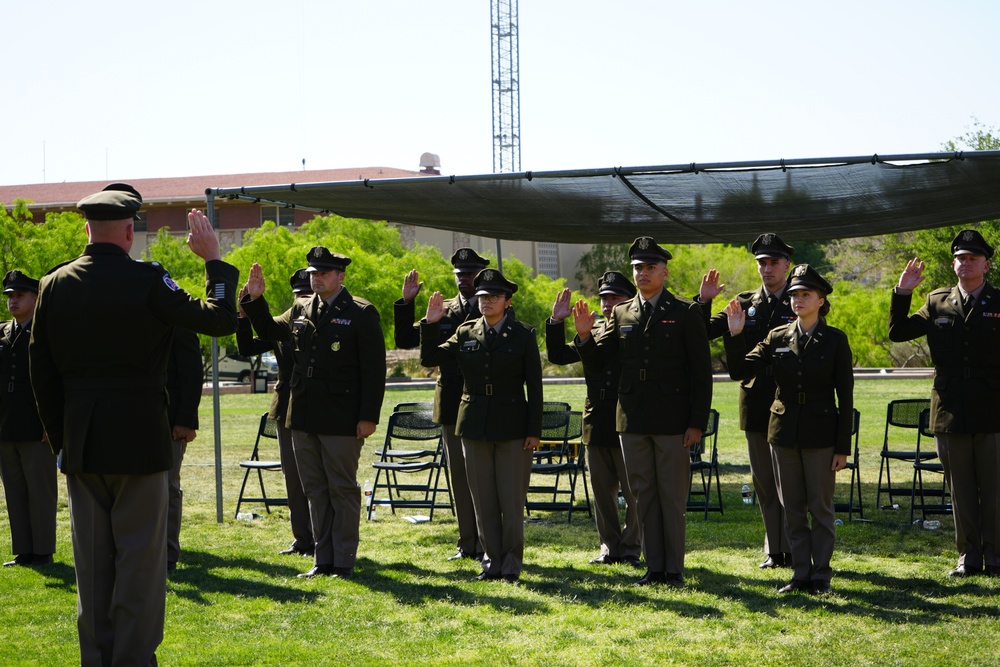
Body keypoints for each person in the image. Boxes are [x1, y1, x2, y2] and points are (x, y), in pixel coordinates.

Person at [28, 183, 239, 666]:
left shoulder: (54, 284)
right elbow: (219, 319)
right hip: (142, 442)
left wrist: (64, 440)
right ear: (128, 230)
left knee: (93, 568)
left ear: (87, 228)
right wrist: (213, 261)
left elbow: (42, 373)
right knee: (140, 565)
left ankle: (97, 659)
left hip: (82, 444)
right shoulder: (147, 279)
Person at [574, 237, 712, 587]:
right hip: (632, 421)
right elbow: (598, 361)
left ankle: (674, 569)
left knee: (671, 496)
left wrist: (696, 423)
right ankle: (655, 568)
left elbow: (701, 373)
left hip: (672, 421)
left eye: (650, 267)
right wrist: (584, 337)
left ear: (664, 272)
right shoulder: (622, 313)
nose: (643, 273)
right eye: (638, 267)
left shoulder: (685, 311)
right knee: (643, 495)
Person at [242, 248, 386, 579]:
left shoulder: (361, 313)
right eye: (313, 273)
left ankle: (345, 560)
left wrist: (368, 416)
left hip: (341, 416)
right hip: (303, 414)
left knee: (341, 488)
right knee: (314, 489)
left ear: (341, 276)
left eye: (324, 273)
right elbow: (267, 330)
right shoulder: (301, 308)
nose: (316, 277)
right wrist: (254, 299)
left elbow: (374, 371)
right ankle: (323, 560)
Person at [724, 263, 853, 595]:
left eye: (805, 294)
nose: (797, 300)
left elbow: (846, 395)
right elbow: (740, 371)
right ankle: (800, 573)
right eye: (794, 294)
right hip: (782, 433)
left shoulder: (835, 340)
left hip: (821, 434)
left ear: (821, 300)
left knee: (821, 509)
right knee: (792, 507)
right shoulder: (777, 337)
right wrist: (736, 335)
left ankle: (821, 574)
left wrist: (842, 447)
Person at [888, 229, 1000, 578]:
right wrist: (903, 291)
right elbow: (898, 332)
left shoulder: (998, 302)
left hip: (992, 405)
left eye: (972, 258)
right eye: (960, 258)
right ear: (953, 264)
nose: (965, 263)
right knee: (960, 487)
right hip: (950, 406)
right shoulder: (937, 302)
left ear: (985, 264)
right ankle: (968, 556)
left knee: (994, 487)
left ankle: (995, 555)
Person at [420, 268, 542, 583]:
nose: (486, 301)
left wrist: (533, 430)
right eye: (482, 296)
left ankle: (512, 563)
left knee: (511, 499)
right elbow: (430, 357)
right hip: (473, 424)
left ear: (507, 300)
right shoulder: (465, 332)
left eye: (493, 296)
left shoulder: (523, 334)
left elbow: (535, 387)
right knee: (483, 498)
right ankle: (491, 562)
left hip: (512, 425)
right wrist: (430, 324)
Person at [701, 233, 795, 569]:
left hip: (791, 405)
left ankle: (795, 548)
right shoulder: (743, 304)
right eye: (762, 263)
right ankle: (774, 550)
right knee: (765, 484)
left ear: (787, 265)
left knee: (792, 484)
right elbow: (698, 329)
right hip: (756, 404)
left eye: (773, 262)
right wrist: (705, 300)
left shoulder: (801, 300)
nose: (767, 269)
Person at [394, 248, 489, 562]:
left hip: (484, 401)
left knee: (484, 475)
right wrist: (408, 303)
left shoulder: (496, 308)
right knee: (458, 476)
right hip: (450, 399)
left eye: (470, 274)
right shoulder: (442, 308)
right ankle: (467, 543)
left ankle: (489, 541)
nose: (464, 279)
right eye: (460, 274)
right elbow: (406, 340)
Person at [546, 273, 641, 568]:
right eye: (605, 298)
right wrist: (556, 322)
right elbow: (558, 355)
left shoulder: (636, 329)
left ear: (629, 299)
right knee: (602, 491)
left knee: (634, 490)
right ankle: (608, 547)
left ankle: (631, 547)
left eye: (616, 298)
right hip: (597, 418)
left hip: (628, 417)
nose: (609, 304)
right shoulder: (594, 330)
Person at [236, 268, 315, 558]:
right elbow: (247, 348)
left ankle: (322, 539)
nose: (304, 301)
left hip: (316, 405)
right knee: (293, 477)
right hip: (286, 405)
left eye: (309, 295)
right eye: (300, 296)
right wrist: (244, 319)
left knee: (315, 477)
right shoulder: (282, 322)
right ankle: (302, 539)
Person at [0, 270, 56, 568]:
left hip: (37, 425)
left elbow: (57, 379)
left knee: (40, 491)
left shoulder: (48, 333)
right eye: (10, 296)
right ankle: (23, 550)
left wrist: (52, 422)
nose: (13, 301)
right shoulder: (2, 331)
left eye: (20, 295)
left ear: (36, 298)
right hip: (6, 425)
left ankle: (43, 551)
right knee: (15, 490)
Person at [165, 328, 204, 574]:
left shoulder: (177, 318)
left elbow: (192, 375)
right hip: (134, 420)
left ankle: (167, 554)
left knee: (167, 488)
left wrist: (186, 421)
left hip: (169, 423)